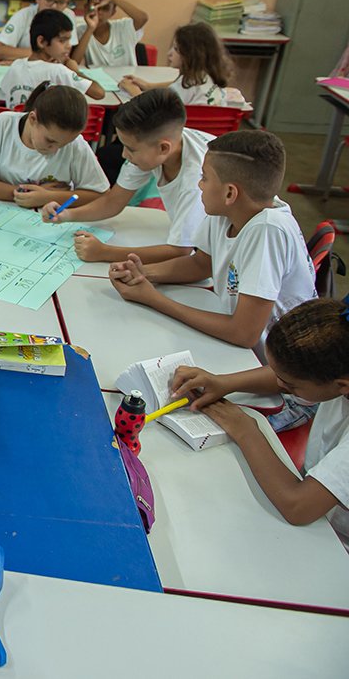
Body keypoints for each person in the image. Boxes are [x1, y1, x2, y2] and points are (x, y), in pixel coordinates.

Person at [108, 130, 316, 356]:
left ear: (230, 193)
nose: (199, 185)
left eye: (204, 177)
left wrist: (153, 299)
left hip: (277, 369)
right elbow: (201, 264)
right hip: (239, 348)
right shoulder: (230, 210)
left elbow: (243, 333)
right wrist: (143, 274)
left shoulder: (267, 229)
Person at [168, 298, 349, 547]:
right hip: (321, 494)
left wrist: (246, 429)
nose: (280, 384)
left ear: (342, 385)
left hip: (336, 541)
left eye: (289, 385)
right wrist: (225, 382)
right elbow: (291, 375)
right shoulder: (337, 367)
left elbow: (297, 507)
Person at [41, 88, 210, 264]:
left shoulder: (195, 180)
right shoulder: (155, 146)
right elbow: (113, 201)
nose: (124, 154)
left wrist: (105, 252)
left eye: (130, 149)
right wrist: (67, 215)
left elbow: (181, 251)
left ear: (163, 148)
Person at [0, 82, 109, 209]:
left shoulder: (76, 144)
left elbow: (100, 194)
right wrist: (28, 194)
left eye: (64, 145)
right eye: (50, 141)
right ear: (33, 119)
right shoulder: (4, 124)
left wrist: (48, 197)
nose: (55, 150)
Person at [0, 9, 106, 107]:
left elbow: (4, 89)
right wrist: (74, 71)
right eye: (62, 40)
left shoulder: (16, 65)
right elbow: (99, 93)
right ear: (41, 42)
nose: (68, 46)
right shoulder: (58, 71)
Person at [119, 22, 232, 107]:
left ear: (191, 55)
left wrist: (134, 91)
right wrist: (149, 86)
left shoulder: (184, 88)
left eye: (176, 49)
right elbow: (179, 85)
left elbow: (154, 111)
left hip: (182, 135)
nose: (169, 54)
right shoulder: (207, 76)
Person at [0, 0, 83, 61]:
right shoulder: (23, 15)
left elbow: (68, 55)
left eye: (61, 2)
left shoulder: (68, 15)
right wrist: (43, 53)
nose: (54, 6)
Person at [71, 0, 149, 67]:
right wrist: (90, 29)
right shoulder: (80, 32)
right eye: (95, 6)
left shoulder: (124, 26)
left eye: (105, 8)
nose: (99, 12)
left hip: (127, 78)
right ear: (86, 8)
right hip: (98, 78)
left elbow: (143, 18)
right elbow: (75, 62)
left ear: (113, 12)